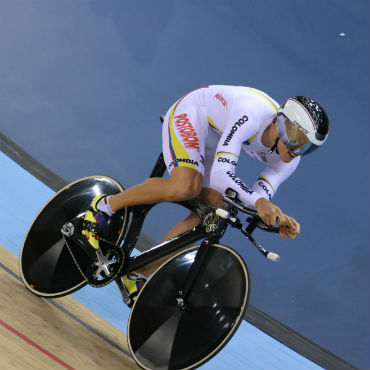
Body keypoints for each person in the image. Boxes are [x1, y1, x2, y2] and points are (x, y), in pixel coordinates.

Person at [82, 85, 329, 306]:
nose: (298, 152)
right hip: (192, 114)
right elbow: (223, 174)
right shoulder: (252, 114)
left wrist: (276, 217)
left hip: (214, 138)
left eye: (307, 148)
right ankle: (103, 207)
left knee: (216, 211)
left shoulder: (289, 162)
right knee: (186, 187)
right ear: (283, 125)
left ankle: (139, 272)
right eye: (298, 141)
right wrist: (260, 202)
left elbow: (255, 197)